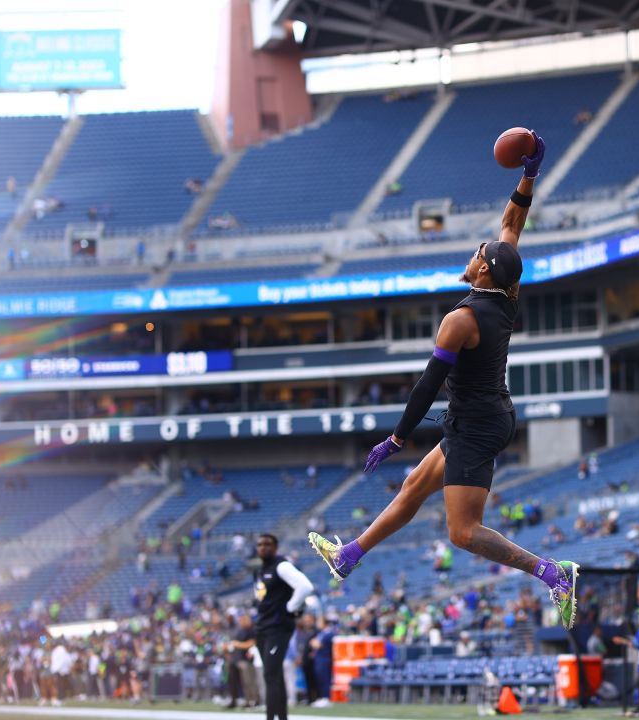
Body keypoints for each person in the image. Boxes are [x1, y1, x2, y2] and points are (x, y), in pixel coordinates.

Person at [307, 135, 580, 628]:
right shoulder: (506, 287)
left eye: (479, 252)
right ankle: (349, 555)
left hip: (476, 423)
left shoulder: (461, 321)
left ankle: (553, 572)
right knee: (413, 485)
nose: (476, 252)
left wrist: (397, 436)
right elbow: (511, 224)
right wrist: (529, 174)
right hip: (479, 414)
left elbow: (427, 386)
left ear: (482, 271)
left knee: (463, 532)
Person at [253, 533, 315, 720]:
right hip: (263, 627)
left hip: (277, 628)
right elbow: (261, 597)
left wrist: (290, 607)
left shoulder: (282, 565)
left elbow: (305, 586)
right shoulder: (260, 571)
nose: (263, 547)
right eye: (259, 544)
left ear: (276, 547)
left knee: (271, 676)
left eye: (267, 544)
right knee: (274, 676)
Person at [228, 613, 261, 709]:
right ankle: (248, 700)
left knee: (250, 681)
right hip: (238, 659)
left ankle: (255, 700)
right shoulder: (240, 631)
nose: (241, 621)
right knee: (244, 682)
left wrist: (237, 644)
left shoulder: (251, 630)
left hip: (247, 660)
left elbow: (252, 643)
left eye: (243, 619)